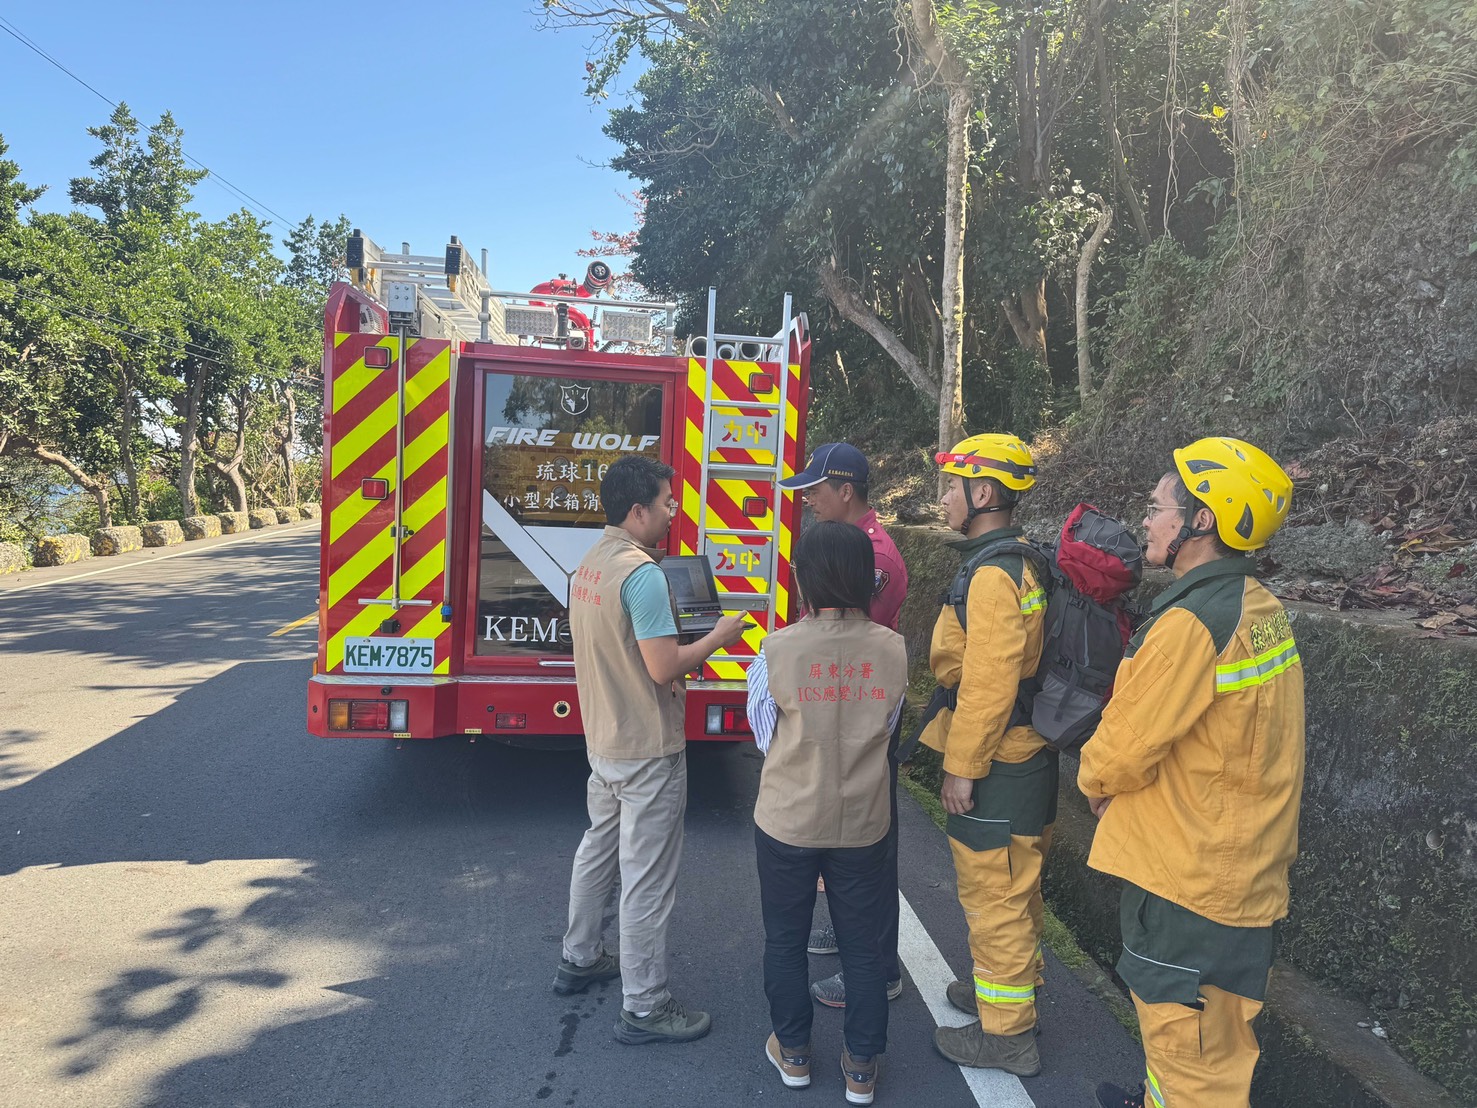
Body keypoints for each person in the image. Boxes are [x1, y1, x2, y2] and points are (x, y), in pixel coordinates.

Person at [1084, 438, 1302, 1108]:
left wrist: (1096, 785)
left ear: (1201, 520)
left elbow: (1121, 750)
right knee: (1200, 1048)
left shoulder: (1192, 622)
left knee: (1193, 1061)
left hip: (1192, 883)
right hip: (1238, 870)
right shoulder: (1256, 607)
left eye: (1158, 508)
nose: (1147, 520)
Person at [553, 455, 748, 1046]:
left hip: (605, 743)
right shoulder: (643, 577)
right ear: (638, 510)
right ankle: (645, 1006)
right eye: (666, 502)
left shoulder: (590, 564)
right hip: (647, 748)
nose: (673, 510)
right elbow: (663, 667)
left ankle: (580, 956)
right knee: (647, 880)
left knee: (597, 850)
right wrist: (718, 636)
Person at [746, 520, 907, 1105]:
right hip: (862, 821)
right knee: (863, 947)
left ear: (803, 580)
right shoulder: (893, 649)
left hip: (788, 818)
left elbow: (763, 735)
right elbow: (886, 727)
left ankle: (793, 1052)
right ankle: (861, 1066)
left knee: (785, 940)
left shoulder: (776, 649)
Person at [916, 433, 1052, 1077]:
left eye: (953, 486)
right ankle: (1007, 992)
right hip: (1026, 754)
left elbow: (988, 684)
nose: (944, 498)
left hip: (999, 761)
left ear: (985, 493)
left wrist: (961, 768)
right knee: (1017, 891)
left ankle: (1007, 1037)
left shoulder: (994, 575)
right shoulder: (1021, 562)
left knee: (995, 897)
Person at [777, 442, 910, 1009]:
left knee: (870, 843)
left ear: (846, 490)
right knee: (844, 834)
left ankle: (879, 969)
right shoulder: (851, 548)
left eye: (815, 490)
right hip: (843, 707)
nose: (808, 500)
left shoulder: (874, 559)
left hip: (857, 712)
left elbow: (847, 644)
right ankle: (849, 929)